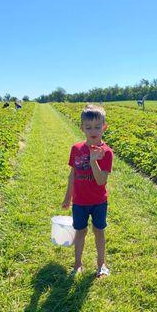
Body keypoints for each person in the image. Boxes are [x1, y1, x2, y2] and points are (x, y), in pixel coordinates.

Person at [62, 104, 114, 278]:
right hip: (79, 202)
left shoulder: (106, 153)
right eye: (89, 127)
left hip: (99, 201)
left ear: (104, 127)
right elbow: (73, 175)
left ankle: (101, 265)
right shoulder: (76, 149)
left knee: (99, 231)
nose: (93, 131)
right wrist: (67, 197)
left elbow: (101, 181)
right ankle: (77, 265)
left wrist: (93, 161)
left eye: (98, 127)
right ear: (82, 127)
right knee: (80, 231)